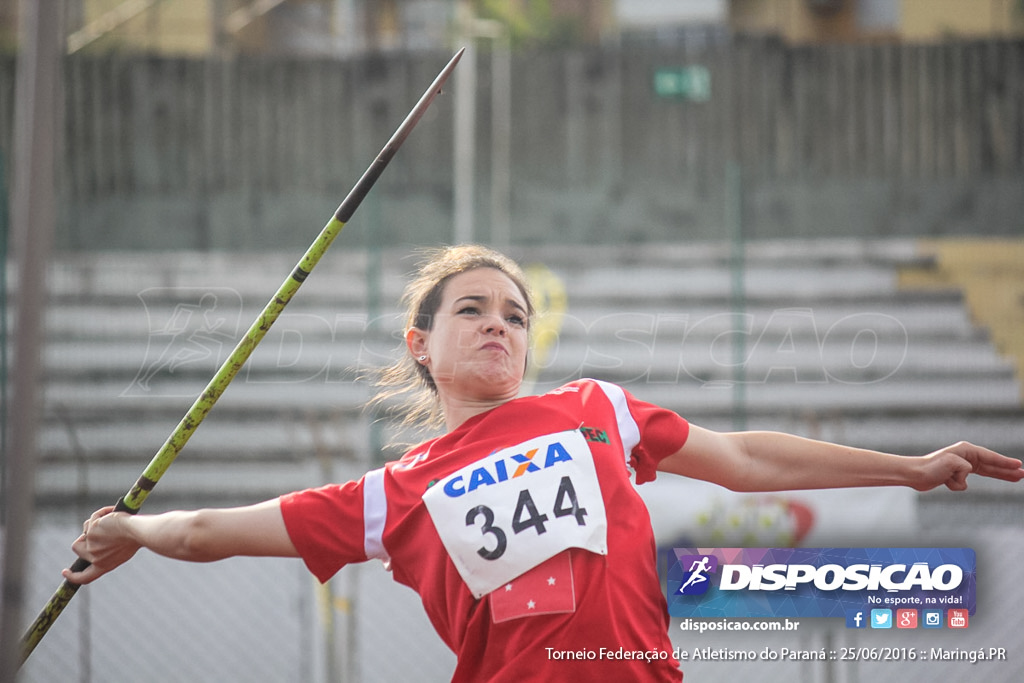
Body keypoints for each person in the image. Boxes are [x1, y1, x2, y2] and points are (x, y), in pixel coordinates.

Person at [66, 244, 1024, 682]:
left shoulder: (595, 408)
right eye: (473, 309)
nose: (499, 324)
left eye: (516, 314)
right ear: (420, 344)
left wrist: (907, 467)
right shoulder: (389, 495)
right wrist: (129, 528)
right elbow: (199, 530)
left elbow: (741, 458)